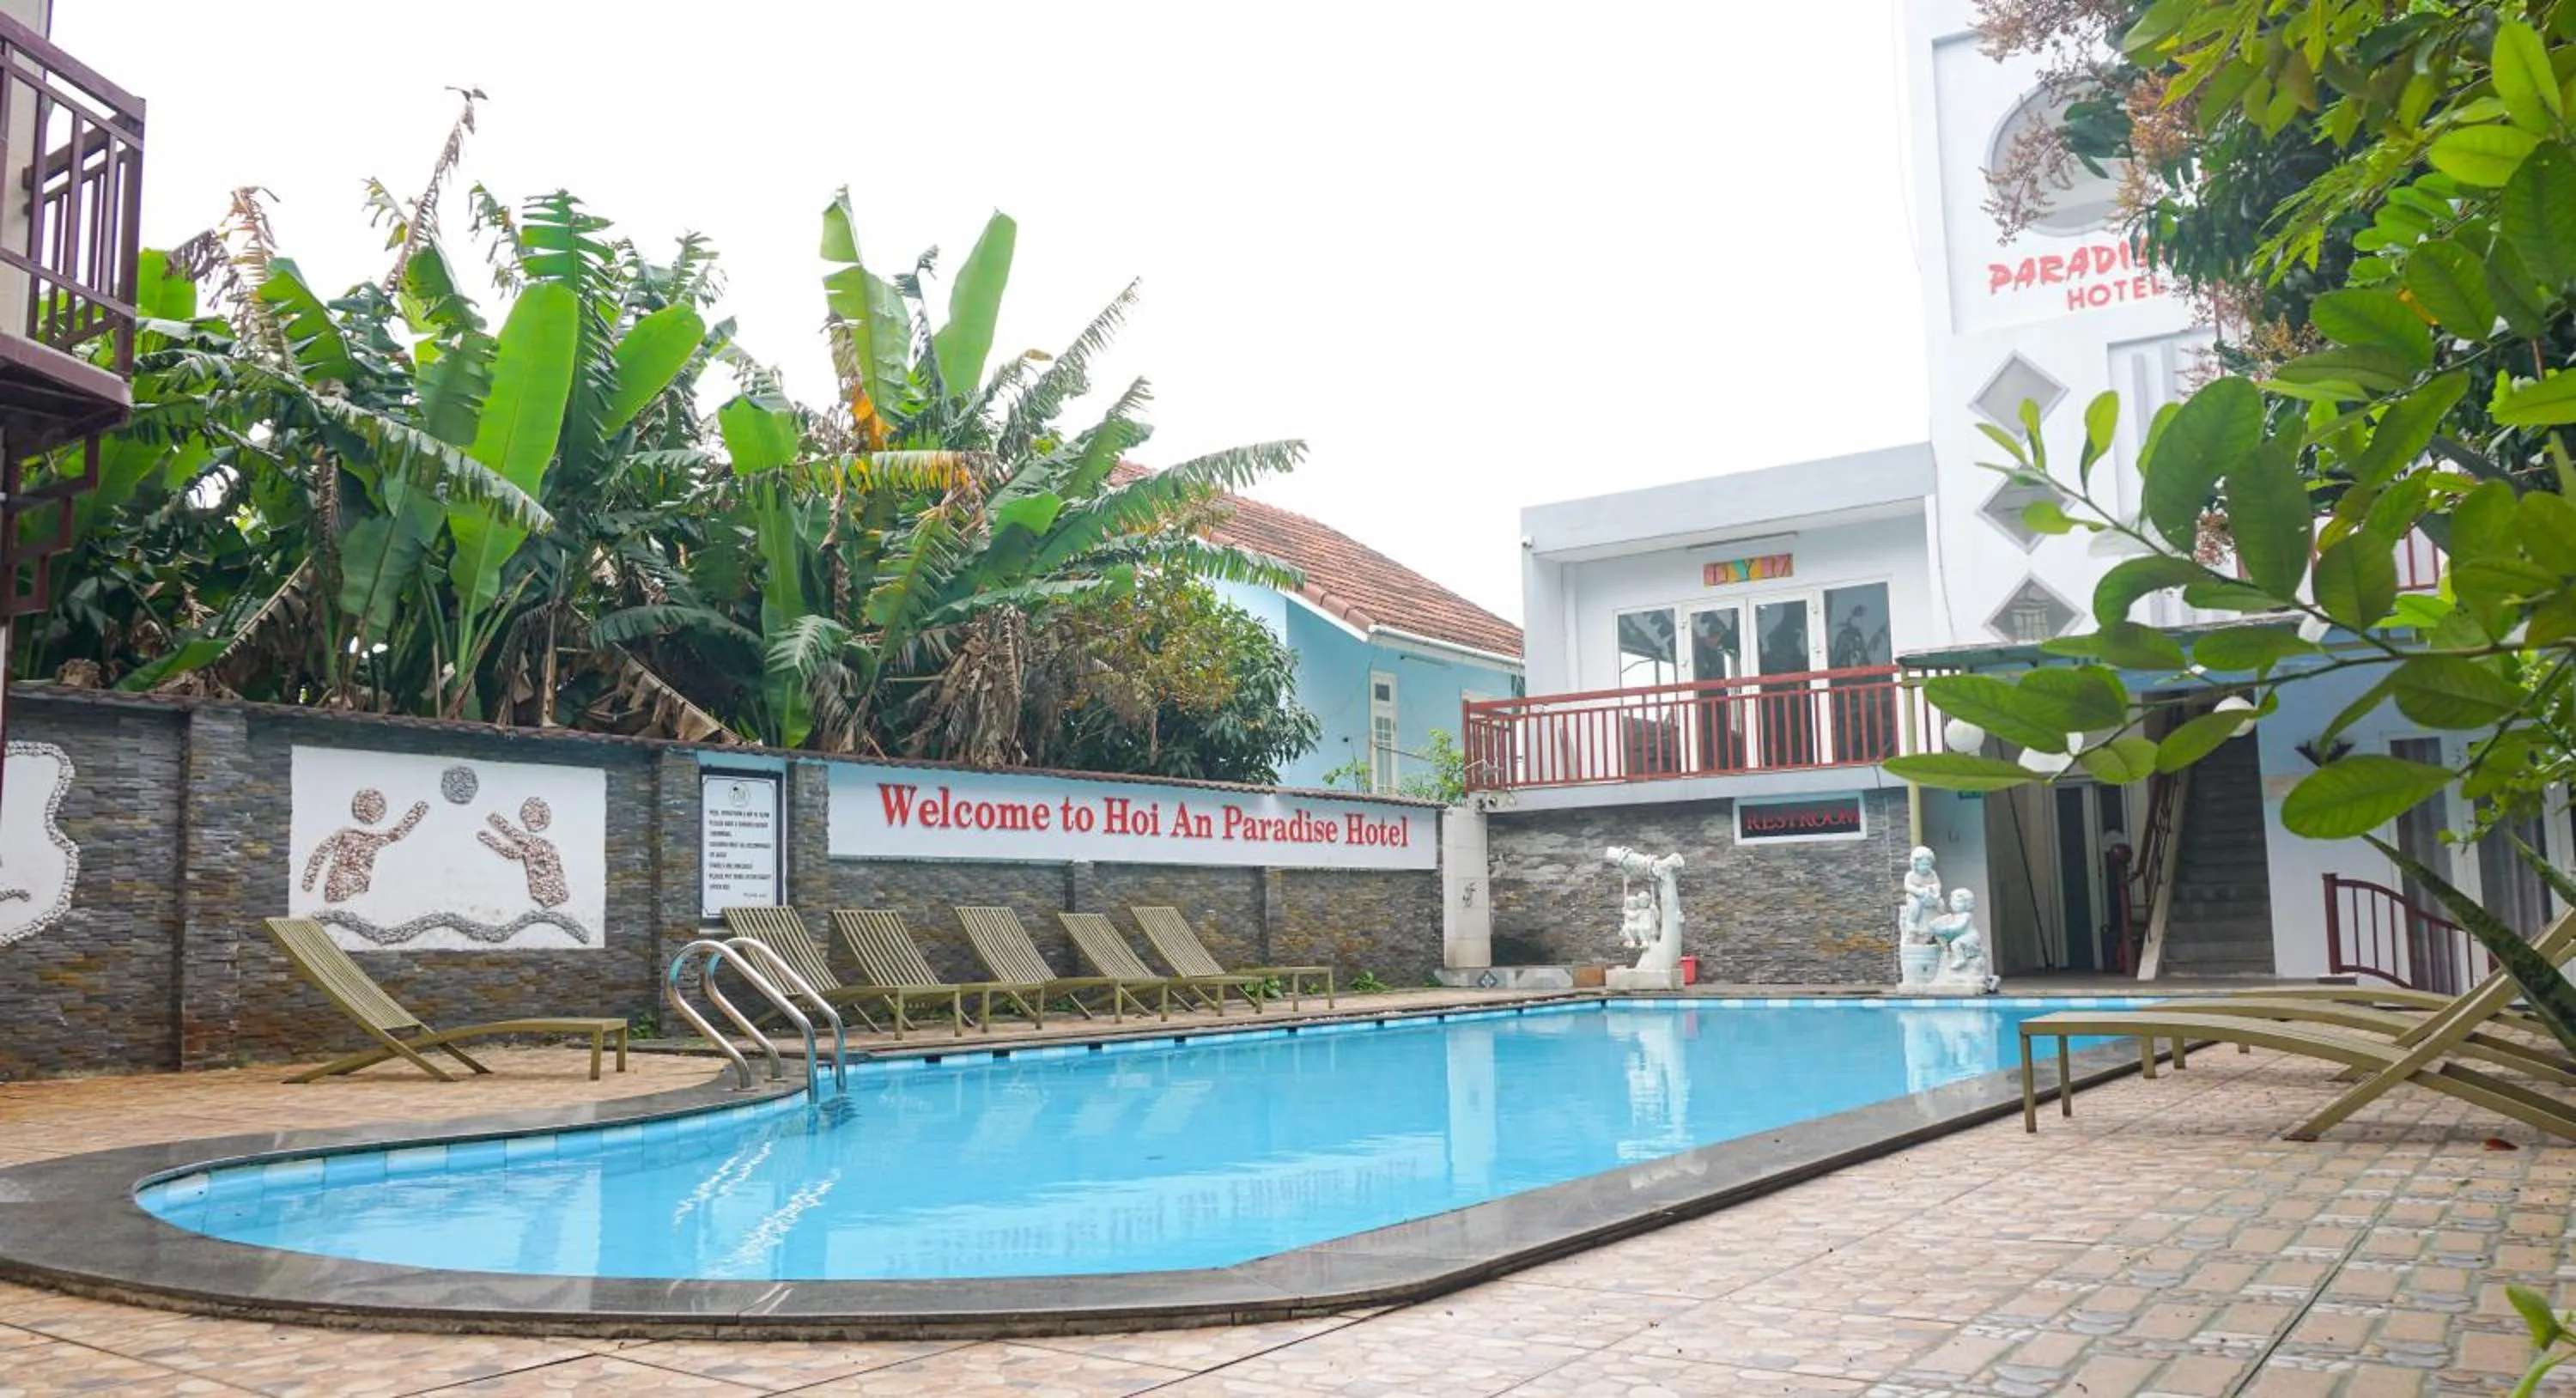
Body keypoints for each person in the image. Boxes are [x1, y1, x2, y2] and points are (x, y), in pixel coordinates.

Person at [301, 788, 429, 903]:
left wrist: (418, 811)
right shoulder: (348, 835)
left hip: (353, 887)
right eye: (370, 808)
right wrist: (309, 881)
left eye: (375, 808)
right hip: (342, 885)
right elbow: (321, 853)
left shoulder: (371, 839)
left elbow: (396, 834)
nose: (373, 811)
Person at [479, 797, 570, 908]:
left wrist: (492, 833)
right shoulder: (540, 844)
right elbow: (513, 848)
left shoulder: (540, 845)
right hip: (548, 896)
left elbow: (513, 847)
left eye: (533, 816)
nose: (531, 820)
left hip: (549, 895)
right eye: (529, 816)